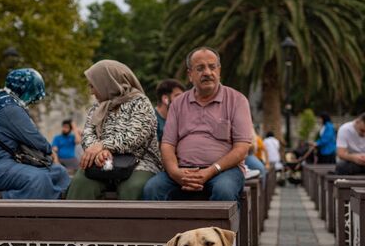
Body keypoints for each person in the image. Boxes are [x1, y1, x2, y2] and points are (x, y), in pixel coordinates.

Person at [143, 46, 253, 202]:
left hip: (224, 171)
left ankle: (219, 228)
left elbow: (242, 148)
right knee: (152, 188)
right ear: (190, 75)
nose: (207, 72)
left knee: (224, 190)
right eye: (200, 68)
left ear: (219, 70)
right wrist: (176, 173)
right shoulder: (178, 104)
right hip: (183, 170)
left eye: (212, 67)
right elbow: (167, 145)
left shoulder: (237, 100)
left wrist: (210, 171)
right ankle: (163, 228)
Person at [66, 60, 161, 200]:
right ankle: (74, 222)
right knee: (81, 183)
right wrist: (99, 152)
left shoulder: (140, 103)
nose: (91, 92)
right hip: (101, 162)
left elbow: (134, 136)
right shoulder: (97, 107)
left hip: (140, 162)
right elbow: (87, 133)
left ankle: (126, 223)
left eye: (93, 86)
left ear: (108, 82)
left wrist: (103, 146)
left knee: (132, 188)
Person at [0, 68, 70, 199]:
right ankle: (12, 212)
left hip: (8, 165)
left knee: (60, 173)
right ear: (25, 89)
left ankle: (63, 212)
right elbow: (34, 138)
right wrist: (50, 150)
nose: (33, 99)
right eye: (33, 92)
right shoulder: (9, 108)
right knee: (38, 179)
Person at [154, 79, 185, 143]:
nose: (183, 100)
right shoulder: (151, 120)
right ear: (165, 99)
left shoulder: (180, 118)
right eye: (178, 96)